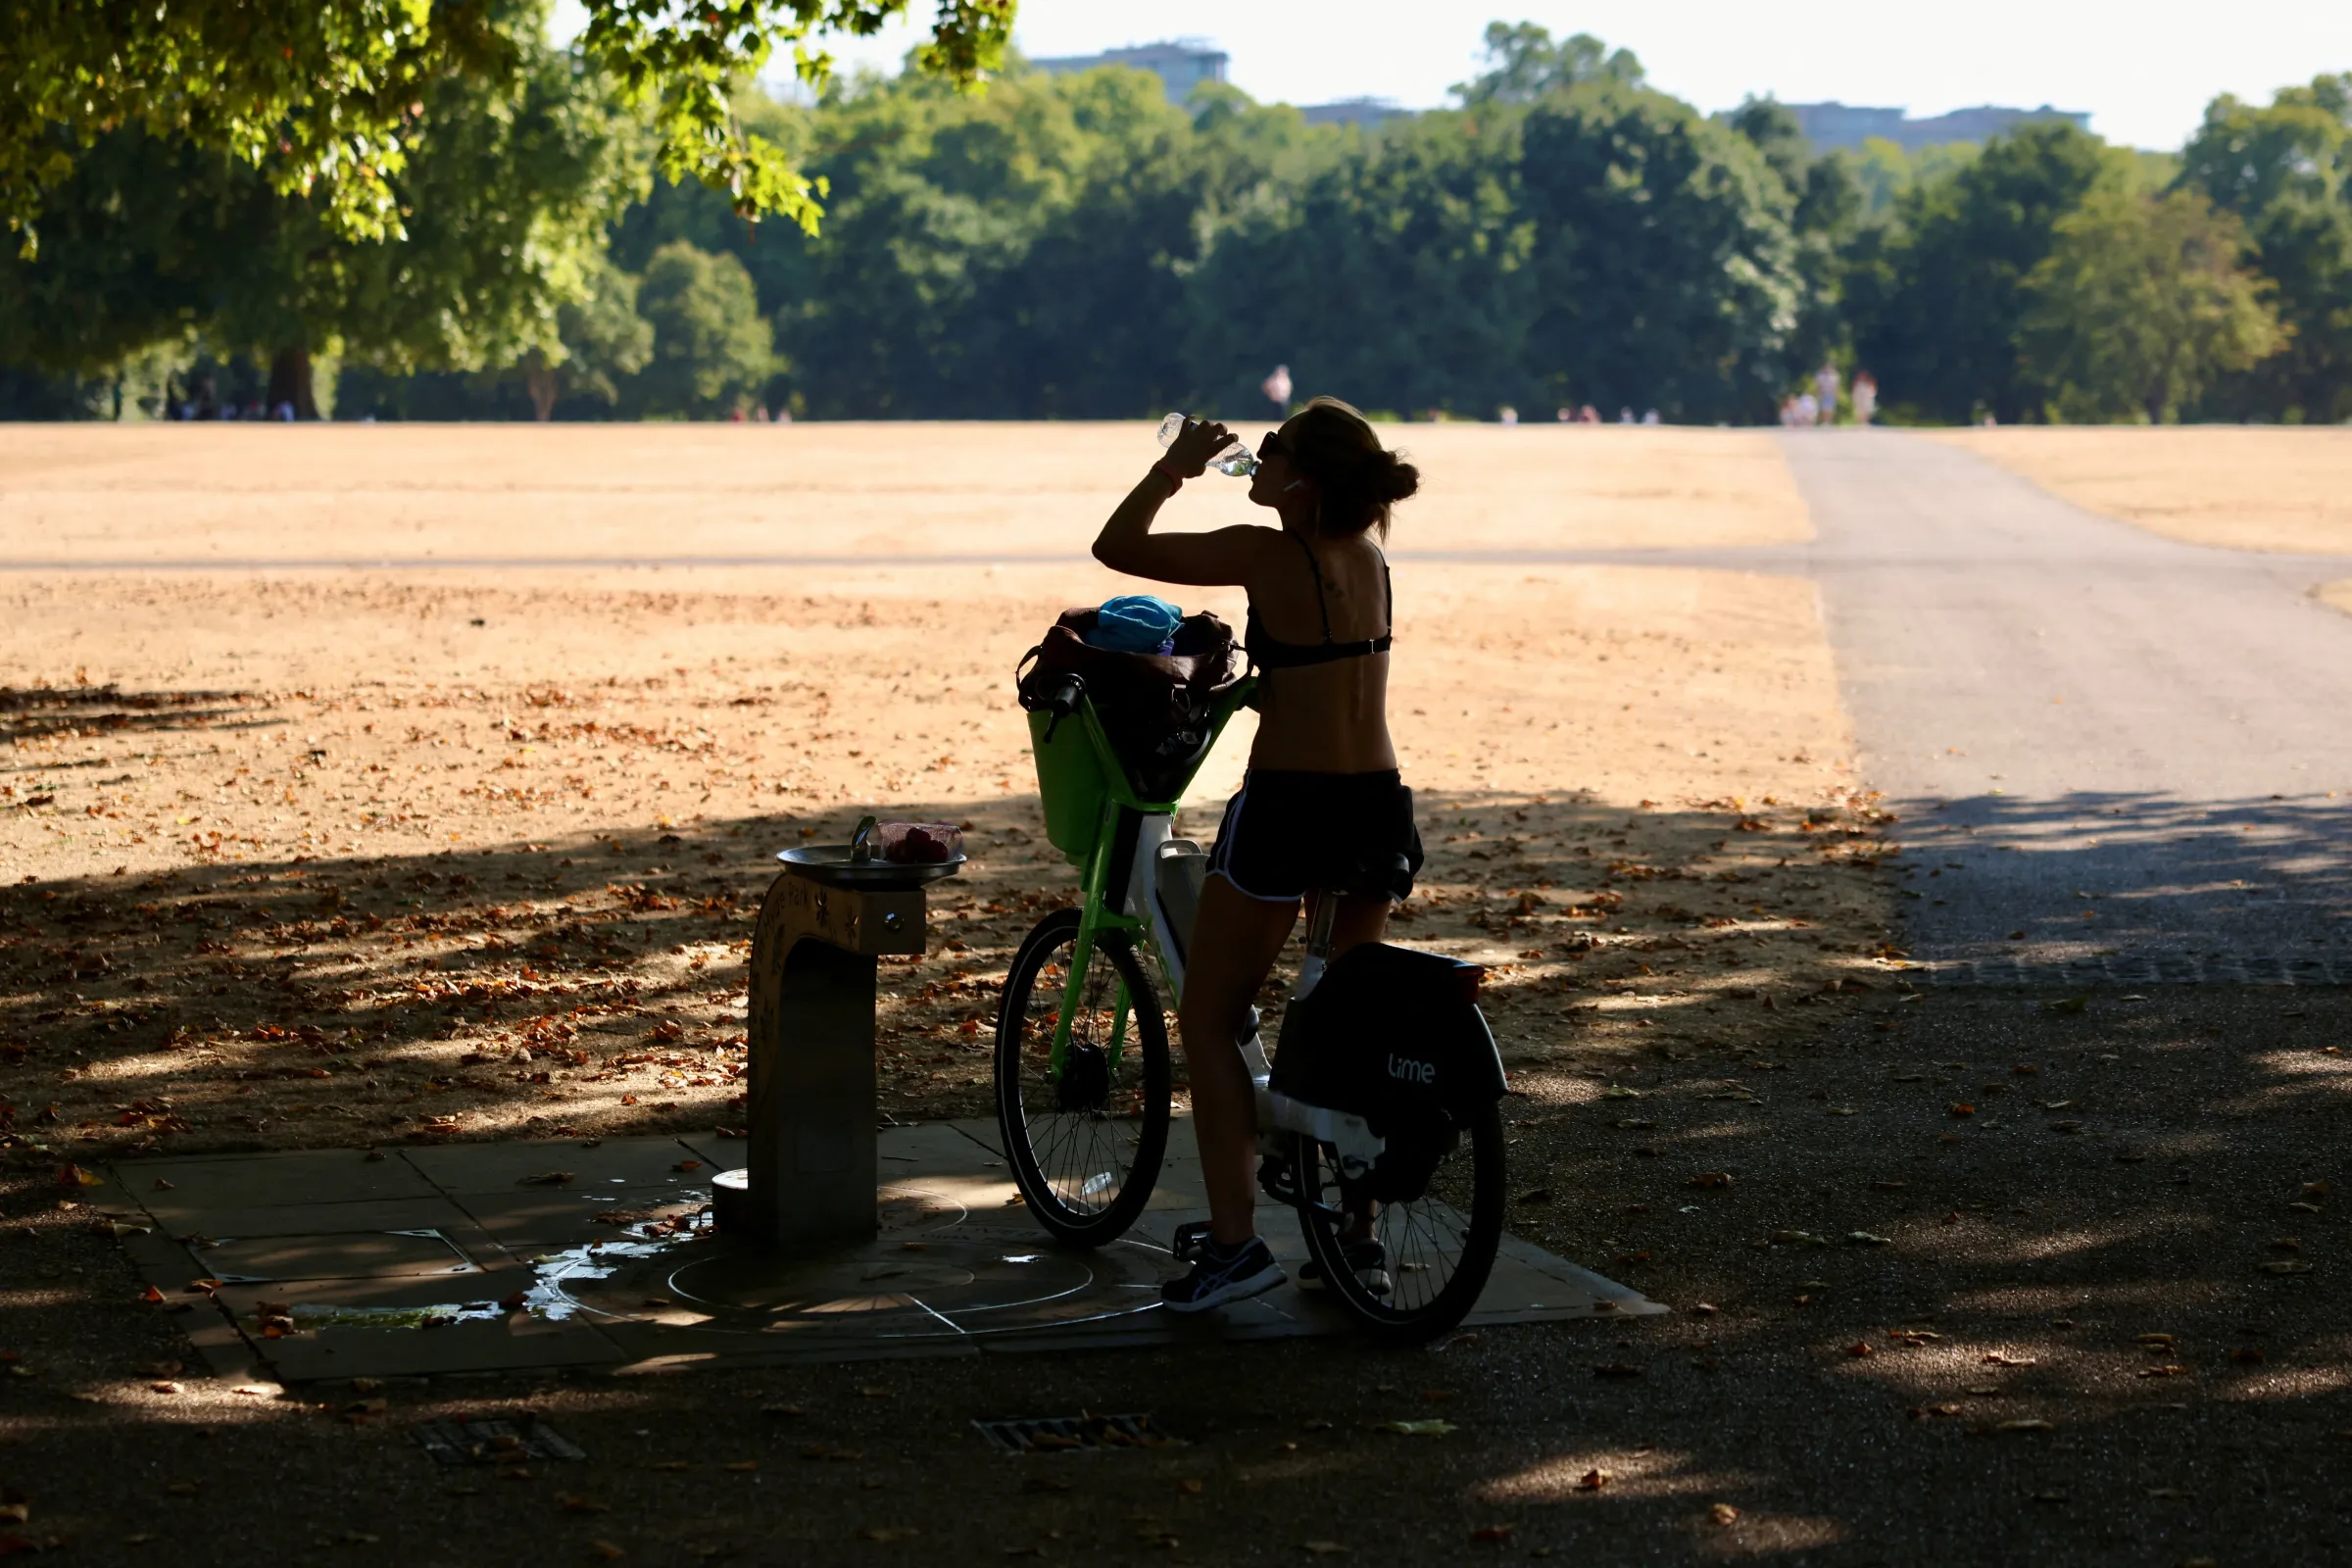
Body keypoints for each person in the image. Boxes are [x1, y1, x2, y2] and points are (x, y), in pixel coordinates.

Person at [1091, 397, 1424, 1312]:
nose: (1257, 457)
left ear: (1303, 486)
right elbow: (1320, 671)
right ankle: (1356, 1240)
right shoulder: (1371, 559)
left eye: (1271, 451)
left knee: (1209, 1016)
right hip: (1377, 805)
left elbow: (1115, 550)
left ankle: (1236, 1249)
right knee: (1348, 1021)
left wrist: (1176, 468)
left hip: (1292, 808)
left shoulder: (1264, 551)